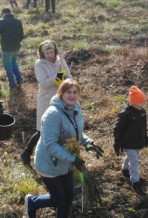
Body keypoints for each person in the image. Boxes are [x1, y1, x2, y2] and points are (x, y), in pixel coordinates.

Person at [24, 79, 104, 218]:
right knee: (59, 199)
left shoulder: (76, 109)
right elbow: (50, 145)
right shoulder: (52, 114)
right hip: (49, 163)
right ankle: (32, 202)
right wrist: (73, 158)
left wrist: (89, 143)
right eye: (68, 92)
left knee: (68, 199)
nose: (72, 95)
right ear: (61, 93)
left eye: (75, 92)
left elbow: (76, 132)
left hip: (66, 162)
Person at [20, 40, 72, 166]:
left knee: (59, 129)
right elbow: (44, 82)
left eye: (52, 52)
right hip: (46, 99)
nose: (50, 55)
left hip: (61, 99)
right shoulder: (39, 65)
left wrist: (68, 84)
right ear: (43, 54)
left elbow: (69, 76)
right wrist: (60, 75)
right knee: (42, 129)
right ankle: (27, 152)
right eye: (47, 53)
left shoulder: (61, 61)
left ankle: (57, 157)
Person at [113, 86, 148, 196]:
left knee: (133, 156)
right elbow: (118, 128)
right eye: (140, 102)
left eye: (143, 102)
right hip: (128, 142)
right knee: (134, 162)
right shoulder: (125, 114)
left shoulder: (142, 112)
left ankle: (124, 169)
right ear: (133, 102)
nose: (142, 104)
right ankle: (135, 182)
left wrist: (145, 137)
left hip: (138, 141)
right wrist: (117, 141)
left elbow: (144, 126)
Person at [0, 8, 24, 89]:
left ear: (3, 13)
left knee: (8, 66)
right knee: (13, 62)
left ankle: (12, 84)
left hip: (7, 48)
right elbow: (22, 35)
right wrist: (18, 42)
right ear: (10, 13)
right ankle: (19, 79)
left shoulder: (2, 22)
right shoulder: (18, 21)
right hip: (16, 46)